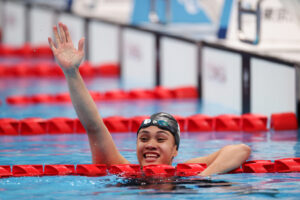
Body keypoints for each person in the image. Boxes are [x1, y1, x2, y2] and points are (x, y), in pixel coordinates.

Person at [48, 22, 251, 177]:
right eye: (144, 138)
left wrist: (202, 178)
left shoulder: (186, 172)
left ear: (175, 151)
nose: (150, 144)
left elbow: (240, 150)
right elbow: (94, 126)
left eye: (161, 139)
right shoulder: (121, 169)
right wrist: (71, 72)